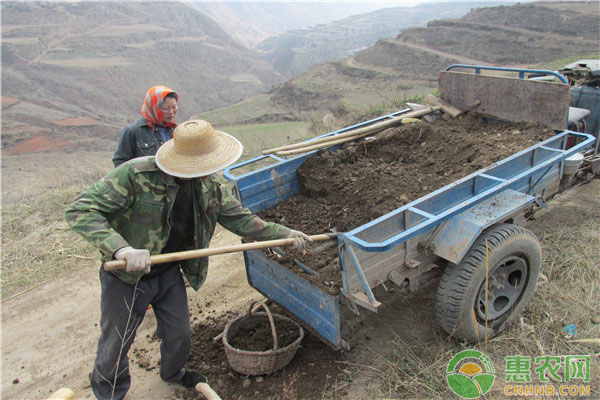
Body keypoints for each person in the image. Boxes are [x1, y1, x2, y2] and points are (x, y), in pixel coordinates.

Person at [66, 119, 312, 400]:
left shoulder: (211, 185)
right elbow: (80, 211)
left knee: (179, 334)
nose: (209, 172)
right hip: (127, 277)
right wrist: (121, 249)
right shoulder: (135, 175)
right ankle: (109, 392)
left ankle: (173, 373)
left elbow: (242, 221)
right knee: (117, 342)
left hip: (169, 272)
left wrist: (285, 234)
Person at [112, 85, 179, 167]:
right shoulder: (132, 132)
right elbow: (120, 164)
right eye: (166, 108)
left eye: (174, 107)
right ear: (153, 108)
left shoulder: (178, 132)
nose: (171, 112)